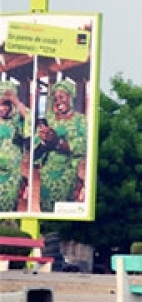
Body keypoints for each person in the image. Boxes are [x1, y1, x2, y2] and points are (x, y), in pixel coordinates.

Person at [36, 80, 88, 210]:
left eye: (61, 97)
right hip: (47, 173)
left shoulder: (80, 120)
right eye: (55, 99)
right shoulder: (49, 119)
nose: (58, 101)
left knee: (63, 209)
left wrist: (57, 142)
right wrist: (43, 140)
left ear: (70, 97)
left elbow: (82, 146)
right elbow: (38, 145)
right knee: (45, 207)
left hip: (68, 173)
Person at [0, 81, 29, 212]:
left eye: (6, 104)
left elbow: (31, 120)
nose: (2, 108)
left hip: (11, 177)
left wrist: (15, 101)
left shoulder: (17, 121)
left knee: (8, 209)